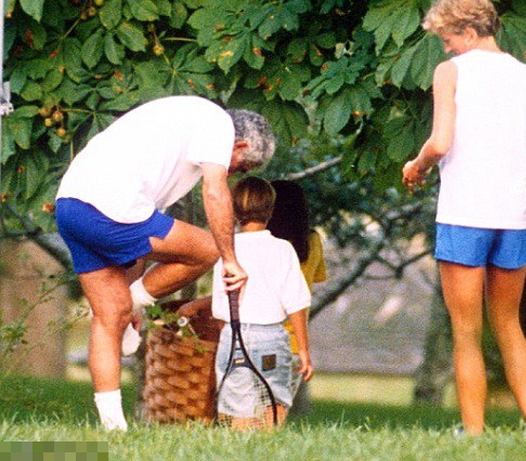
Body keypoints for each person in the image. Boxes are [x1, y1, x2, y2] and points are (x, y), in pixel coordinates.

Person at [55, 95, 276, 431]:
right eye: (240, 167)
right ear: (240, 145)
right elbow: (214, 192)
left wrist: (133, 293)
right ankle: (132, 303)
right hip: (112, 210)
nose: (232, 174)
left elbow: (141, 245)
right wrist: (230, 260)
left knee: (108, 317)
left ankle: (113, 428)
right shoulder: (217, 122)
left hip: (71, 207)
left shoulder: (174, 132)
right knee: (208, 250)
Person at [402, 0, 526, 437]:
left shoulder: (450, 72)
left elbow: (440, 142)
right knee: (509, 325)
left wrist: (417, 165)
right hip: (513, 219)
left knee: (466, 332)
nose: (445, 48)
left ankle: (474, 435)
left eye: (447, 38)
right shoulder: (525, 76)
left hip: (465, 215)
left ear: (467, 30)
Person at [199, 176, 313, 428]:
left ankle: (242, 445)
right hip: (271, 338)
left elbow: (221, 309)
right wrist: (304, 351)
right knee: (273, 401)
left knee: (237, 405)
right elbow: (296, 304)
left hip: (233, 335)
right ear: (271, 210)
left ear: (234, 211)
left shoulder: (225, 251)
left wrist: (227, 340)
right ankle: (268, 444)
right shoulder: (283, 249)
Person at [267, 180, 327, 398]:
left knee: (254, 405)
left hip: (263, 339)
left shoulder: (267, 244)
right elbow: (318, 276)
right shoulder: (313, 240)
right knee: (279, 406)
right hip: (294, 343)